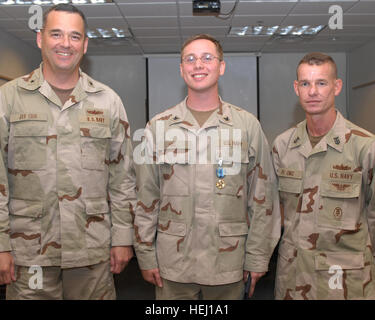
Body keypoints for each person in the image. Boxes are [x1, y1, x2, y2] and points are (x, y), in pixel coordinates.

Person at [0, 4, 136, 299]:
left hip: (91, 250)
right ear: (40, 39)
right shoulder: (9, 98)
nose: (65, 43)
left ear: (85, 45)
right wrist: (1, 244)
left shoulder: (107, 101)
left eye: (75, 36)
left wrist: (123, 237)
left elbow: (123, 177)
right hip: (30, 251)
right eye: (56, 34)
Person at [133, 34, 280, 300]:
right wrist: (144, 254)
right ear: (181, 69)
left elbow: (263, 199)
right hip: (173, 263)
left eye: (207, 58)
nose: (198, 64)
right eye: (190, 59)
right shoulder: (158, 127)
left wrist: (257, 258)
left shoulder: (246, 126)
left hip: (228, 262)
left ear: (221, 67)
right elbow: (146, 195)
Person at [272, 52, 375, 300]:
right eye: (305, 84)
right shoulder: (283, 145)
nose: (313, 91)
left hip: (344, 282)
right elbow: (275, 213)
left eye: (321, 83)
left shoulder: (364, 146)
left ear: (336, 86)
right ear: (296, 88)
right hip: (293, 278)